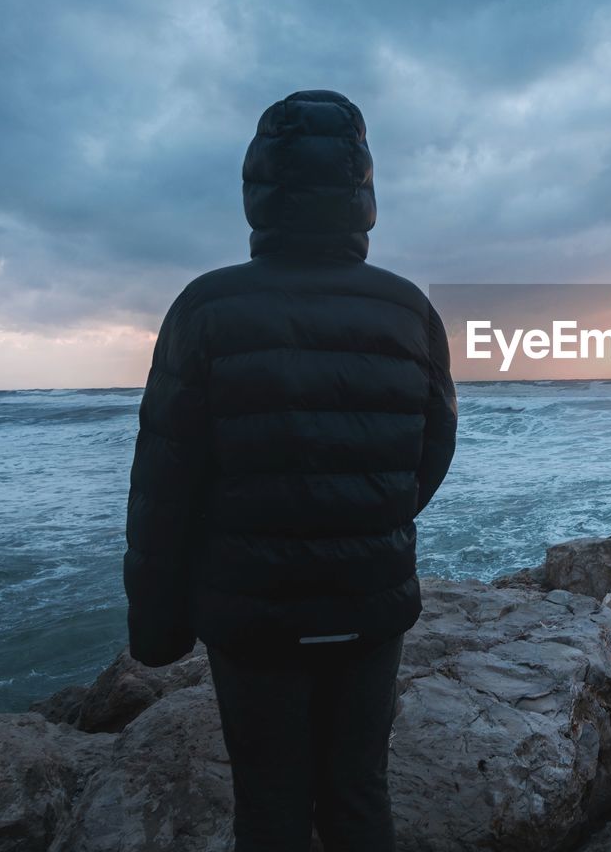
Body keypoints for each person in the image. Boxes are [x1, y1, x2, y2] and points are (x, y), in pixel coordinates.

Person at [123, 89, 457, 852]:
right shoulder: (407, 310)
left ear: (258, 188)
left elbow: (162, 487)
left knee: (268, 807)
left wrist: (158, 628)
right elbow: (433, 447)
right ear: (363, 192)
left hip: (253, 617)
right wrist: (372, 512)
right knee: (359, 795)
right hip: (369, 602)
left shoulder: (204, 308)